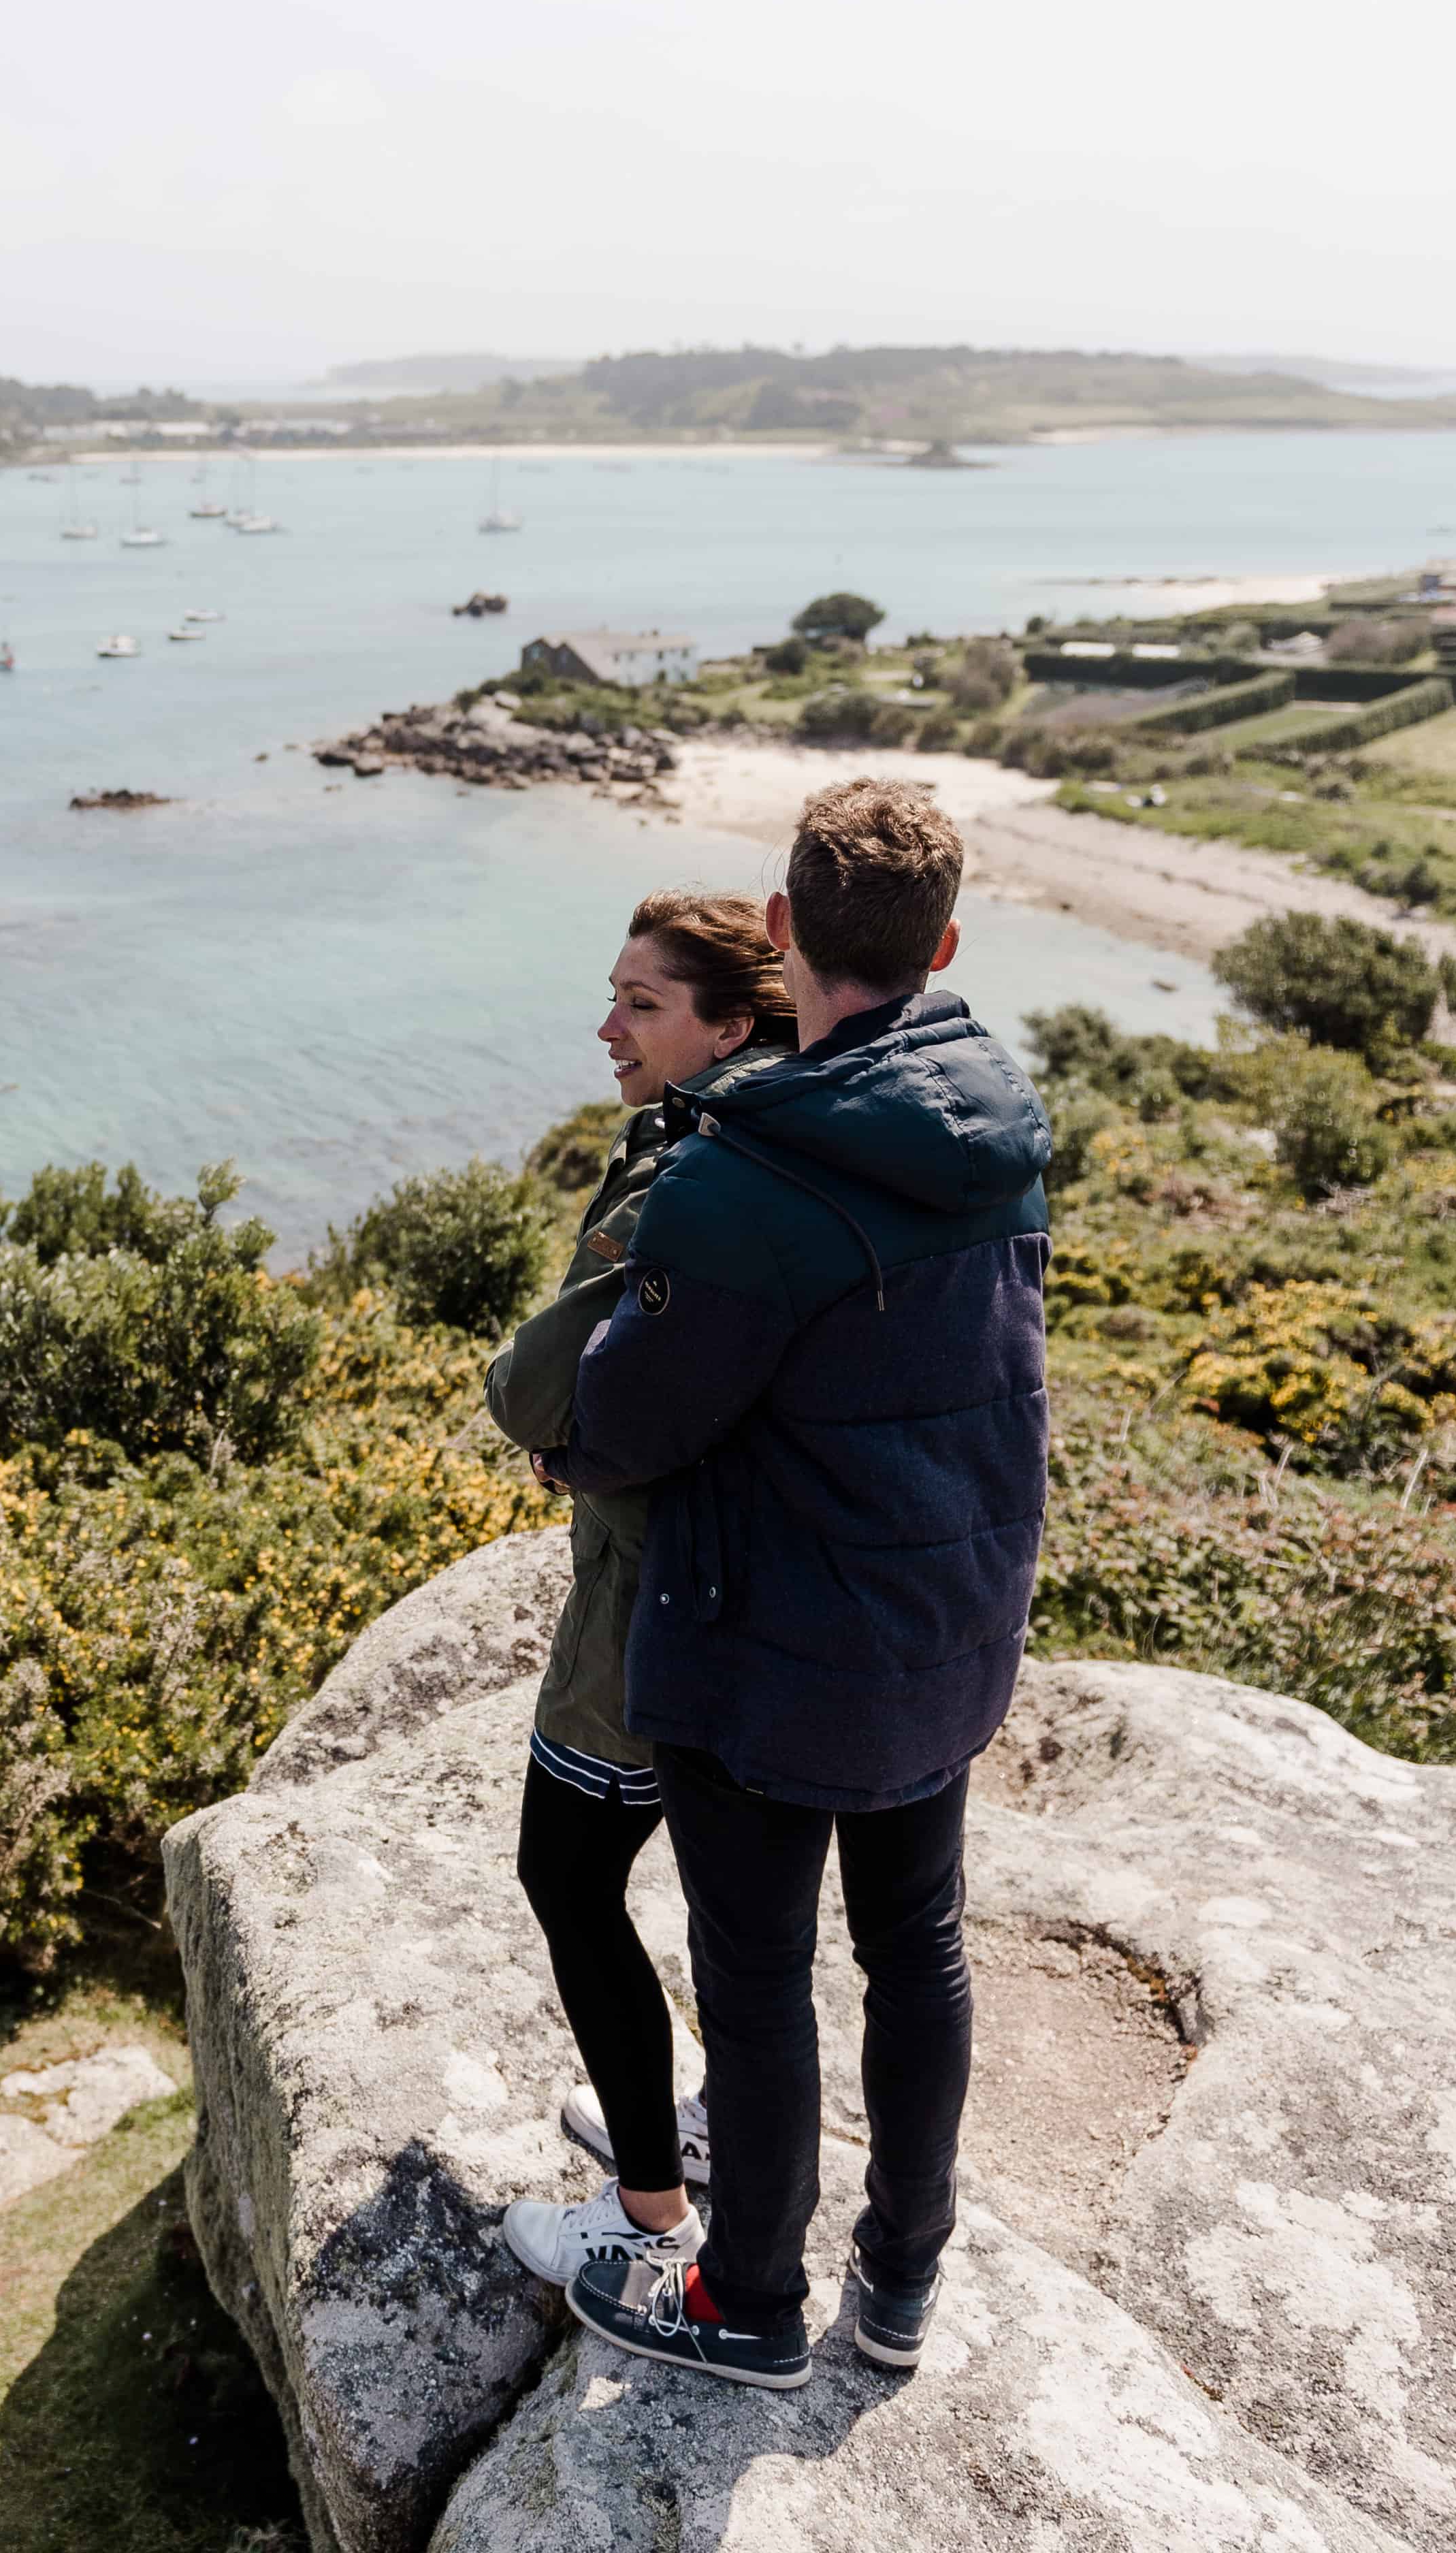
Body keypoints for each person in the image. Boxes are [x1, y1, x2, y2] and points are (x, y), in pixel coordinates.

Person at [546, 779, 1052, 2391]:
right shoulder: (998, 1128)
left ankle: (747, 2299)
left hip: (763, 1646)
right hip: (945, 1621)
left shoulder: (734, 1177)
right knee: (918, 1949)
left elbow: (616, 1427)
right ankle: (897, 2283)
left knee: (752, 1976)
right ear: (943, 945)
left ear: (780, 933)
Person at [480, 893, 790, 2291]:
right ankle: (704, 2125)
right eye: (611, 995)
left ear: (729, 1023)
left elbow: (532, 1385)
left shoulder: (687, 1164)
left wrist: (562, 1440)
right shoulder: (794, 1126)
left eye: (641, 1005)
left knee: (567, 1872)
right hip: (762, 1582)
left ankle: (646, 2207)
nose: (606, 1028)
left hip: (644, 1597)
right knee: (731, 1891)